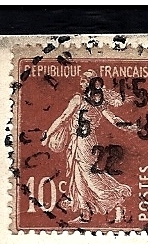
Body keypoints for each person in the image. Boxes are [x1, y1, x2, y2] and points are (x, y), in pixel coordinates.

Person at [41, 72, 140, 224]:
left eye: (84, 80)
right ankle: (85, 213)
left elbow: (63, 118)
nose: (81, 83)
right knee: (79, 177)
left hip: (84, 143)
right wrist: (129, 127)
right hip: (82, 142)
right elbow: (114, 120)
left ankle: (117, 202)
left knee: (90, 177)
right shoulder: (97, 102)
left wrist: (48, 135)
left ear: (91, 83)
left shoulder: (79, 100)